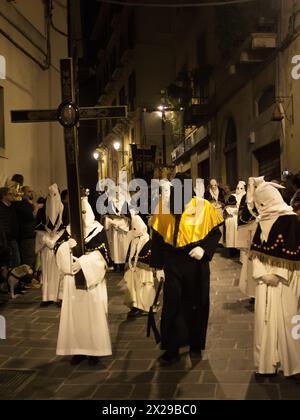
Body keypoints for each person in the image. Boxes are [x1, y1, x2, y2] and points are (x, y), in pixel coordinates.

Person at [150, 173, 224, 364]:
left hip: (196, 262)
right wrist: (157, 267)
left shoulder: (203, 207)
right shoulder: (163, 208)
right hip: (172, 262)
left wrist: (204, 249)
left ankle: (195, 343)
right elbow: (157, 239)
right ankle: (172, 347)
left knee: (197, 303)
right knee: (172, 304)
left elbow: (215, 233)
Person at [248, 178, 300, 378]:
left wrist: (278, 275)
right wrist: (261, 273)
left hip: (287, 279)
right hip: (265, 280)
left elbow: (294, 252)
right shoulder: (262, 221)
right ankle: (265, 365)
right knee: (264, 320)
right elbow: (255, 251)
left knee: (291, 320)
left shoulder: (290, 219)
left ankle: (295, 366)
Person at [56, 196, 112, 366]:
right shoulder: (68, 230)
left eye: (84, 211)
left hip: (91, 282)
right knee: (74, 316)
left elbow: (103, 257)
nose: (82, 215)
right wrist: (67, 247)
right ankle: (77, 350)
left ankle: (94, 350)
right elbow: (58, 253)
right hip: (72, 281)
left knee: (92, 315)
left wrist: (84, 262)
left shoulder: (98, 230)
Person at [35, 184, 66, 307]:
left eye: (54, 195)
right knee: (47, 271)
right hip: (46, 246)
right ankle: (47, 297)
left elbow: (66, 228)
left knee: (60, 271)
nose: (52, 198)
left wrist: (56, 240)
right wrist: (47, 241)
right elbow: (38, 230)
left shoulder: (65, 209)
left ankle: (60, 296)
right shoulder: (42, 211)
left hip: (59, 246)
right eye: (49, 195)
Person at [124, 213, 155, 318]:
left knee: (144, 287)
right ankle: (136, 306)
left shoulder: (147, 241)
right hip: (134, 269)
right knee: (133, 288)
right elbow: (130, 255)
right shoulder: (133, 240)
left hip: (144, 270)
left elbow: (148, 255)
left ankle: (146, 306)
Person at [104, 187, 130, 272]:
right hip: (114, 227)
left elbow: (129, 215)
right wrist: (111, 219)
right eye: (115, 192)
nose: (117, 194)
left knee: (122, 246)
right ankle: (115, 265)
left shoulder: (125, 202)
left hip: (122, 226)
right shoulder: (110, 202)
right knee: (114, 247)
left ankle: (122, 265)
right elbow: (107, 214)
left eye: (119, 192)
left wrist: (123, 216)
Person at [13, 186, 36, 269]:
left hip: (29, 236)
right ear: (23, 193)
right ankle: (27, 279)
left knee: (31, 260)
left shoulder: (27, 204)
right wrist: (35, 207)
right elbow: (32, 216)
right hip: (27, 236)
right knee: (28, 260)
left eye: (32, 191)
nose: (31, 193)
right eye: (29, 192)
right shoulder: (21, 204)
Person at [0, 187, 20, 268]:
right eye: (10, 194)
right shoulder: (1, 208)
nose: (13, 196)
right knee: (10, 262)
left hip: (13, 238)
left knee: (16, 261)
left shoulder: (11, 206)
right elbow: (3, 225)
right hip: (5, 239)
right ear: (4, 196)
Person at [224, 181, 246, 249]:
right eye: (238, 188)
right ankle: (232, 248)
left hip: (243, 216)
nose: (239, 190)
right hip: (233, 215)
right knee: (232, 222)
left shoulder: (246, 197)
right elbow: (228, 207)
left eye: (241, 188)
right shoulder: (233, 196)